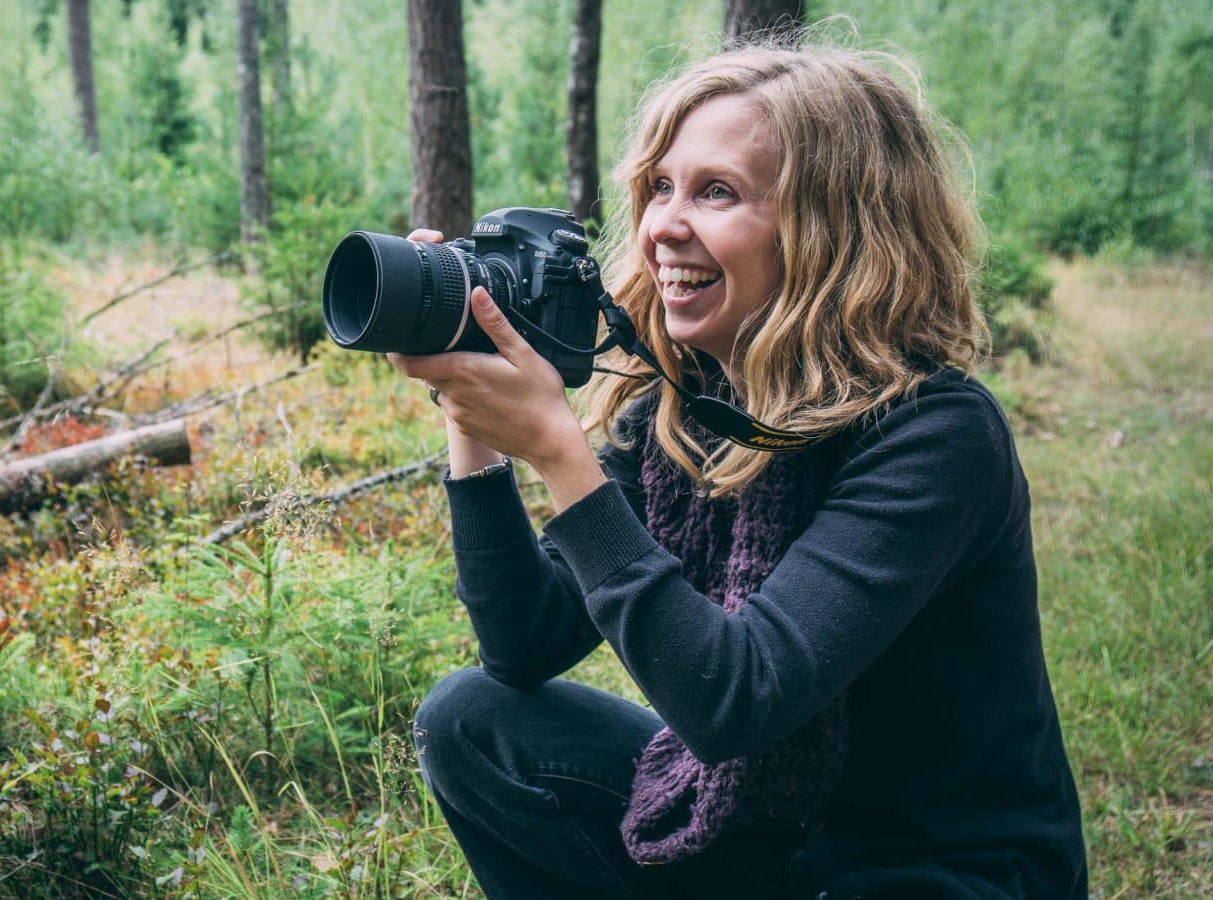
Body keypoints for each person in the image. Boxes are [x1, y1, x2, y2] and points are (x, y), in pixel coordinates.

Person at [386, 46, 1088, 899]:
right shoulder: (680, 407)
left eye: (716, 191)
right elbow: (525, 645)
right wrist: (473, 412)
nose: (663, 228)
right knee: (471, 721)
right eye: (660, 187)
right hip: (777, 841)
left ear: (834, 228)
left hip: (940, 871)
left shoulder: (935, 434)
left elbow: (735, 698)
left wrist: (561, 455)